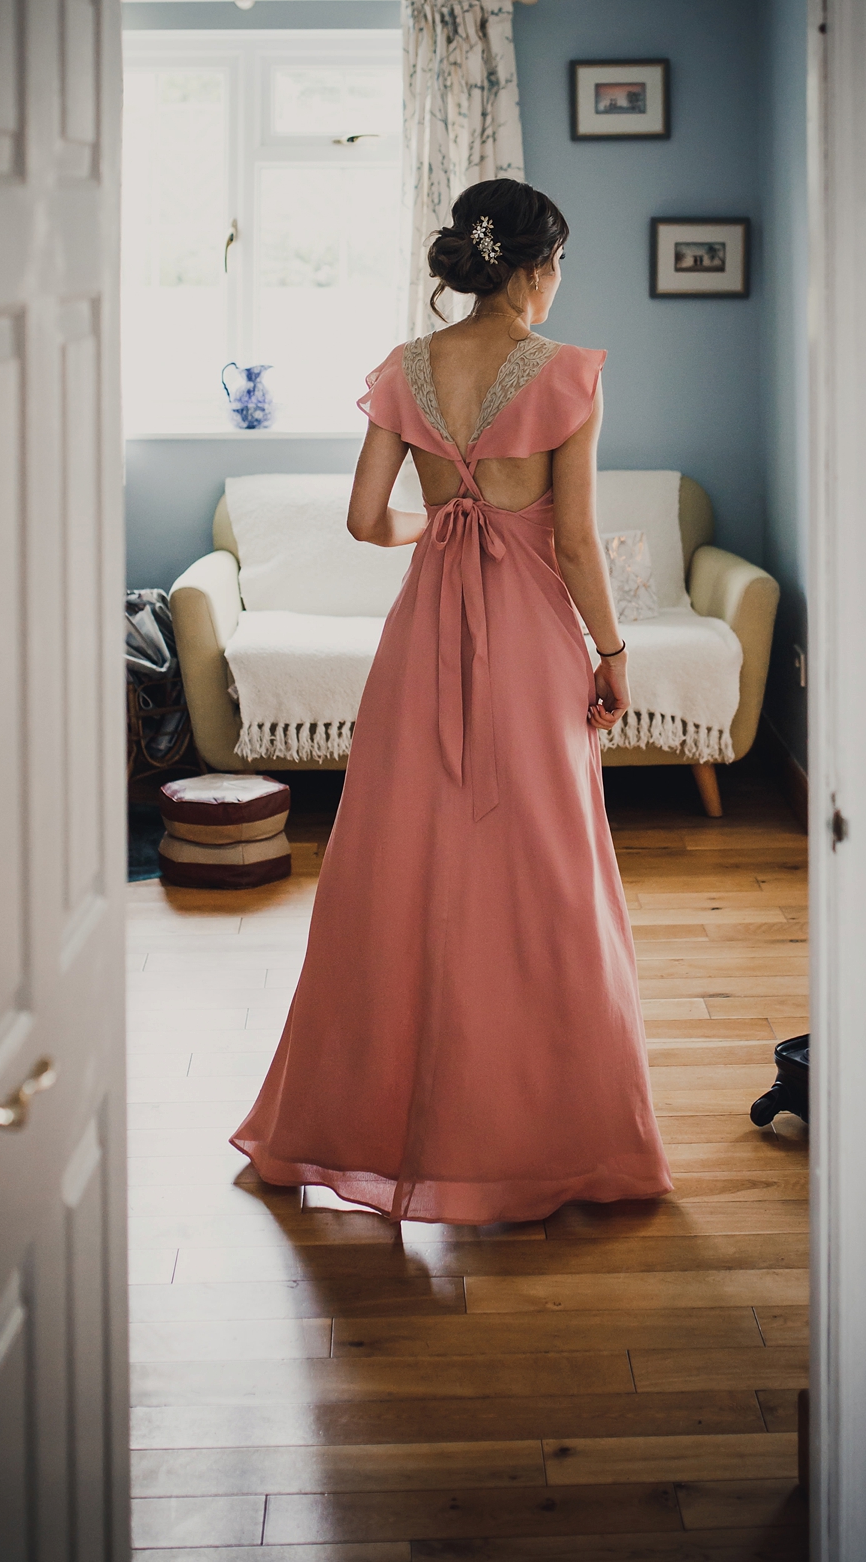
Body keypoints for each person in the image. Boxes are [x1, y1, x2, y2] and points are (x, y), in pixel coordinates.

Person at [231, 179, 672, 1224]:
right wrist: (613, 651)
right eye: (557, 266)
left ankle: (356, 1129)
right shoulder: (568, 374)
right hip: (527, 645)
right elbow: (571, 542)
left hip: (422, 640)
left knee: (397, 870)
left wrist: (436, 531)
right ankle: (549, 1133)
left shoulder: (404, 370)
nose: (558, 285)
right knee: (547, 876)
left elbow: (360, 519)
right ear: (532, 269)